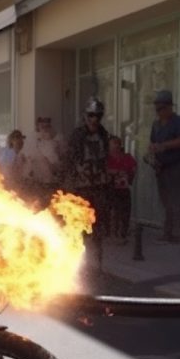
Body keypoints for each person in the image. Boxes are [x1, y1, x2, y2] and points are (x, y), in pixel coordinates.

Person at [65, 96, 112, 271]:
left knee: (98, 228)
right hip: (81, 188)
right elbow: (69, 161)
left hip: (98, 187)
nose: (94, 119)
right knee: (79, 226)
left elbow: (106, 159)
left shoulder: (103, 135)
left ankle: (97, 264)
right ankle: (78, 265)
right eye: (91, 115)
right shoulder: (77, 135)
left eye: (98, 116)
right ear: (86, 116)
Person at [149, 90, 180, 245]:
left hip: (176, 167)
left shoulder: (179, 122)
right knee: (166, 202)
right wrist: (153, 150)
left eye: (161, 109)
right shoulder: (156, 124)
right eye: (157, 109)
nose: (158, 112)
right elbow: (153, 142)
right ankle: (168, 233)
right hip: (162, 168)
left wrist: (164, 146)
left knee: (179, 202)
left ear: (169, 108)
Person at [105, 135, 137, 241]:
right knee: (113, 211)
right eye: (113, 143)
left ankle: (122, 233)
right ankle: (113, 233)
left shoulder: (126, 157)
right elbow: (103, 169)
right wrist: (115, 172)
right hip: (111, 188)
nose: (116, 146)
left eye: (117, 143)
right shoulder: (106, 158)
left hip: (124, 188)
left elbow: (134, 167)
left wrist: (130, 173)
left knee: (125, 211)